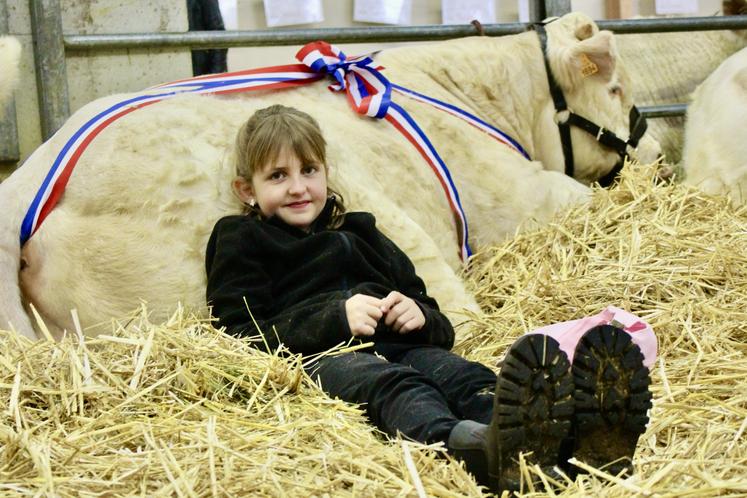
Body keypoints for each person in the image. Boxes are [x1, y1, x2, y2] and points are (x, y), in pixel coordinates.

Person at [205, 104, 654, 493]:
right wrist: (334, 319)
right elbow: (235, 334)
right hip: (325, 358)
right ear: (247, 190)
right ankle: (475, 451)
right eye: (278, 176)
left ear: (325, 172)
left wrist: (417, 315)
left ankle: (566, 440)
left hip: (404, 346)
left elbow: (440, 327)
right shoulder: (242, 239)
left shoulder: (361, 233)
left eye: (309, 171)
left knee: (462, 375)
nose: (299, 187)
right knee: (397, 387)